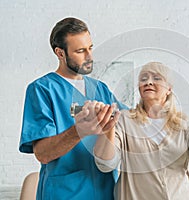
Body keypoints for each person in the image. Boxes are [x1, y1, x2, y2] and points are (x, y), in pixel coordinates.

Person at [19, 17, 126, 200]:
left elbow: (132, 120)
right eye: (80, 51)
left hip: (105, 191)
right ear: (60, 53)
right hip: (64, 193)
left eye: (90, 48)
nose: (89, 56)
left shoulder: (100, 89)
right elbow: (43, 154)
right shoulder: (42, 90)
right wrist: (79, 131)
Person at [94, 62, 189, 200]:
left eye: (156, 78)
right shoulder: (123, 120)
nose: (148, 82)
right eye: (143, 79)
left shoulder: (183, 123)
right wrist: (107, 130)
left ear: (169, 89)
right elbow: (106, 164)